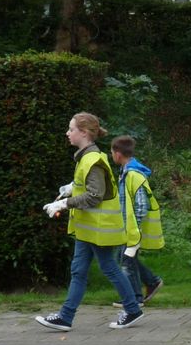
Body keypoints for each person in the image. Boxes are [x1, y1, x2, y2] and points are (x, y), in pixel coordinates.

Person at [36, 112, 144, 331]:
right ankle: (66, 317)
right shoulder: (87, 157)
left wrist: (64, 204)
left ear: (83, 133)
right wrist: (71, 188)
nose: (68, 133)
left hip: (99, 228)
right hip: (90, 229)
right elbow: (88, 186)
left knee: (108, 267)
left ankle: (132, 309)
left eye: (71, 129)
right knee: (79, 269)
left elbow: (95, 195)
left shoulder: (92, 159)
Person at [110, 135, 164, 309]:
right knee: (125, 258)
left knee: (126, 261)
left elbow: (141, 205)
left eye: (112, 152)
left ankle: (135, 298)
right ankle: (152, 281)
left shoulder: (133, 174)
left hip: (131, 229)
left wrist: (135, 228)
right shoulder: (125, 173)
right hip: (126, 227)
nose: (112, 155)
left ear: (118, 154)